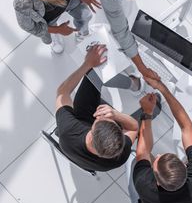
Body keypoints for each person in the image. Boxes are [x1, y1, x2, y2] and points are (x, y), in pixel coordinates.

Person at [55, 44, 141, 172]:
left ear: (91, 133)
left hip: (81, 118)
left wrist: (87, 64)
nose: (102, 114)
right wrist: (115, 114)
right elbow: (133, 127)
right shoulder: (119, 155)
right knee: (98, 72)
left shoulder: (69, 130)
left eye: (100, 117)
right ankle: (134, 84)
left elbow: (62, 92)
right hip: (83, 130)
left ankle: (131, 82)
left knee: (94, 71)